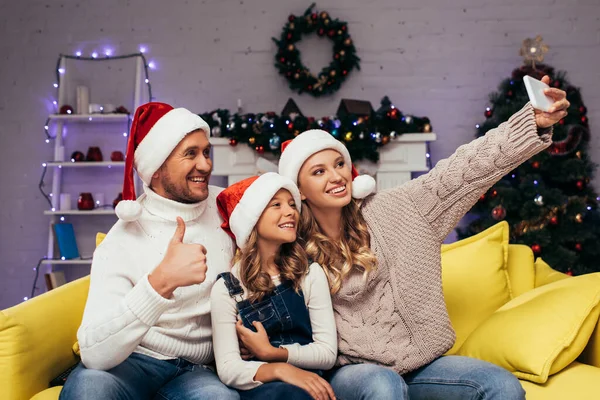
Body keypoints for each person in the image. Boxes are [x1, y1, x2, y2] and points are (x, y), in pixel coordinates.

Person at [272, 76, 570, 399]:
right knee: (384, 385)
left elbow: (463, 170)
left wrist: (531, 123)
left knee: (500, 386)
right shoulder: (291, 247)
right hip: (351, 375)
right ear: (299, 190)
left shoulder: (398, 209)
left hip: (422, 367)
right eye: (319, 171)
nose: (336, 176)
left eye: (339, 164)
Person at [60, 102, 239, 400]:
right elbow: (94, 353)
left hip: (199, 370)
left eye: (206, 152)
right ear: (156, 170)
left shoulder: (228, 207)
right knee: (90, 388)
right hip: (132, 362)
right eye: (190, 154)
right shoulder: (122, 239)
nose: (206, 165)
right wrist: (161, 283)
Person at [211, 172, 337, 400]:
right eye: (275, 205)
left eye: (291, 205)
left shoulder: (309, 273)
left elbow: (327, 353)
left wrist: (270, 352)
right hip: (262, 388)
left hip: (312, 383)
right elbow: (229, 368)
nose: (290, 212)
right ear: (252, 220)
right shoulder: (228, 289)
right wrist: (281, 368)